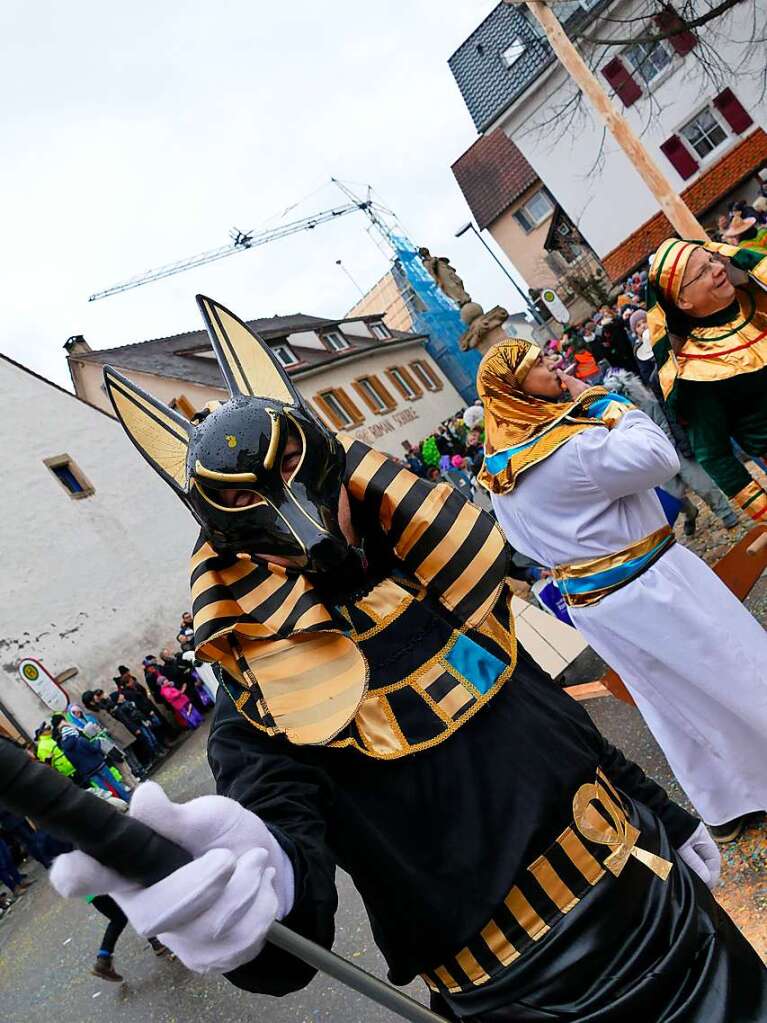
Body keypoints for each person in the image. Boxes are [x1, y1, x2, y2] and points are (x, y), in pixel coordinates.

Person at [51, 295, 767, 1023]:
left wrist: (662, 814)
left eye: (297, 465)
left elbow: (547, 719)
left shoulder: (434, 575)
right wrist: (235, 897)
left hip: (659, 894)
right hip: (537, 994)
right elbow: (292, 916)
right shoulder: (260, 705)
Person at [477, 339, 767, 845]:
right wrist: (602, 401)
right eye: (539, 366)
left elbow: (524, 542)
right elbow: (658, 458)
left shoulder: (500, 468)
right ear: (515, 389)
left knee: (669, 701)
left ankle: (725, 801)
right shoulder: (569, 447)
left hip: (595, 599)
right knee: (733, 665)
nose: (553, 366)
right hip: (648, 579)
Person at [647, 237, 767, 522]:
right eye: (702, 272)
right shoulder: (695, 373)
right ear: (683, 300)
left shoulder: (760, 299)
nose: (717, 268)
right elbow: (713, 454)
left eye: (712, 259)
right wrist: (762, 510)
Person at [52, 716, 132, 803]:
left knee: (105, 790)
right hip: (98, 765)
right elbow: (94, 750)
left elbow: (74, 764)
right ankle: (127, 799)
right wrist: (97, 742)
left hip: (88, 772)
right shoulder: (81, 740)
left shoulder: (66, 750)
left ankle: (119, 804)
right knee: (113, 783)